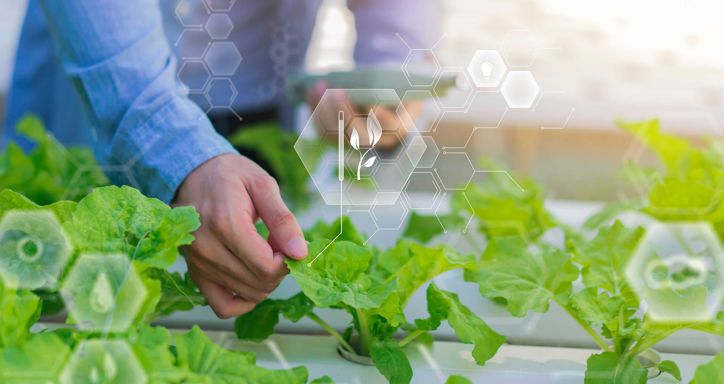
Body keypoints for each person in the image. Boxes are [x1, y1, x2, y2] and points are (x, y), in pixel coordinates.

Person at [4, 0, 441, 318]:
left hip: (258, 113)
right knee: (67, 304)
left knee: (231, 298)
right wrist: (180, 155)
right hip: (100, 112)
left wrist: (387, 76)